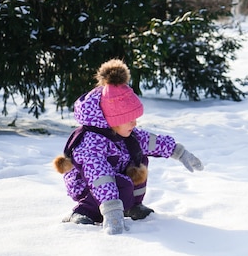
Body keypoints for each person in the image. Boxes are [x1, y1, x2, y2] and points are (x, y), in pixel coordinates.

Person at [53, 59, 204, 235]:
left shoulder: (125, 133)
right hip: (87, 186)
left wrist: (180, 152)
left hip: (113, 179)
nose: (135, 122)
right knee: (120, 183)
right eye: (129, 119)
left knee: (140, 159)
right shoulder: (91, 144)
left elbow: (152, 142)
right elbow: (100, 177)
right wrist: (112, 211)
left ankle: (132, 206)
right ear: (112, 120)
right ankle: (82, 211)